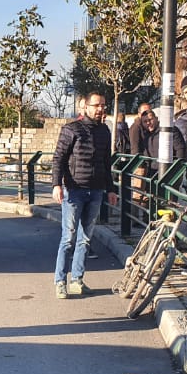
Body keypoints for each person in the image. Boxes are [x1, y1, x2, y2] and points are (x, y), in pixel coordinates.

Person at [51, 92, 111, 299]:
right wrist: (56, 184)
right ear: (85, 107)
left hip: (96, 190)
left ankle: (77, 279)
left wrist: (111, 188)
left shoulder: (104, 131)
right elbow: (59, 158)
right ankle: (60, 281)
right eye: (96, 105)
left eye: (103, 105)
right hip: (74, 189)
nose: (100, 109)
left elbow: (107, 162)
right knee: (68, 237)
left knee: (85, 238)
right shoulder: (71, 129)